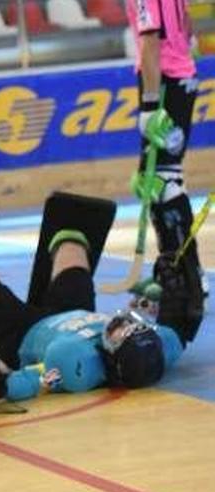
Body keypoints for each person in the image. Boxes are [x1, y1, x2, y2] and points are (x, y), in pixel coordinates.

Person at [0, 197, 204, 405]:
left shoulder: (75, 366)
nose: (118, 323)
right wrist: (178, 296)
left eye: (118, 334)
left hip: (23, 333)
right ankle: (68, 237)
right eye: (128, 326)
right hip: (72, 310)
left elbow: (37, 379)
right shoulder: (161, 347)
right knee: (73, 241)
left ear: (113, 362)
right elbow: (178, 330)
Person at [125, 0, 207, 300]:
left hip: (164, 81)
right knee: (159, 178)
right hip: (178, 75)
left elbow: (149, 42)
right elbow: (186, 24)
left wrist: (149, 104)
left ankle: (183, 276)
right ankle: (180, 271)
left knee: (161, 181)